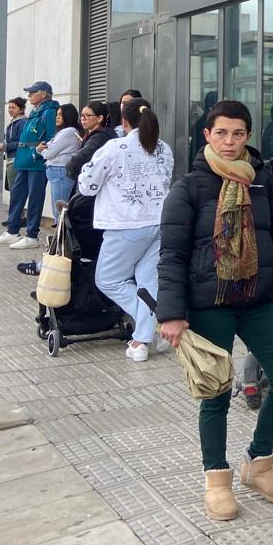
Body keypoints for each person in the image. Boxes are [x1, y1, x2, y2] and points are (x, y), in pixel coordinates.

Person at [156, 99, 273, 521]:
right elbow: (171, 254)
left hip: (257, 301)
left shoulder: (263, 181)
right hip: (209, 304)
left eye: (238, 133)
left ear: (249, 136)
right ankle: (216, 478)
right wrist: (172, 313)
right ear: (207, 136)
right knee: (215, 392)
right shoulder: (189, 187)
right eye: (222, 133)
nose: (230, 141)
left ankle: (258, 464)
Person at [80, 98, 175, 362]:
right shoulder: (163, 149)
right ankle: (142, 340)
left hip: (125, 224)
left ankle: (149, 329)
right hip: (159, 222)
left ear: (124, 121)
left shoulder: (115, 147)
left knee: (108, 279)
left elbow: (87, 186)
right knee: (147, 282)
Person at [0, 81, 57, 249]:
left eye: (32, 92)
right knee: (17, 195)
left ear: (43, 94)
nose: (29, 96)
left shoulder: (49, 112)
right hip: (23, 159)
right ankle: (12, 231)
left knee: (35, 198)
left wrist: (39, 151)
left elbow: (52, 136)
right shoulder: (36, 112)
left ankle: (31, 235)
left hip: (35, 161)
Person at [41, 103, 82, 211]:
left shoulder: (68, 132)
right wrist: (41, 149)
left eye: (60, 114)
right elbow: (45, 148)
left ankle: (61, 228)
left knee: (60, 210)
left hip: (61, 171)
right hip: (57, 172)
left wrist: (42, 149)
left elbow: (48, 153)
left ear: (68, 116)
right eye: (56, 114)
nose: (56, 117)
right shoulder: (62, 132)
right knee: (58, 207)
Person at [65, 100, 118, 181]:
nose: (83, 119)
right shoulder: (105, 133)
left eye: (88, 115)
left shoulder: (99, 137)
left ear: (100, 118)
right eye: (82, 115)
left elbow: (78, 161)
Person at [0, 97, 27, 221]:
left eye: (13, 107)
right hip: (10, 158)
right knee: (13, 190)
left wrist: (4, 146)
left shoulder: (22, 123)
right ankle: (15, 216)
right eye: (9, 107)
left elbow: (22, 143)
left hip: (16, 159)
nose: (10, 110)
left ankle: (16, 218)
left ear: (21, 109)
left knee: (16, 191)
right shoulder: (14, 122)